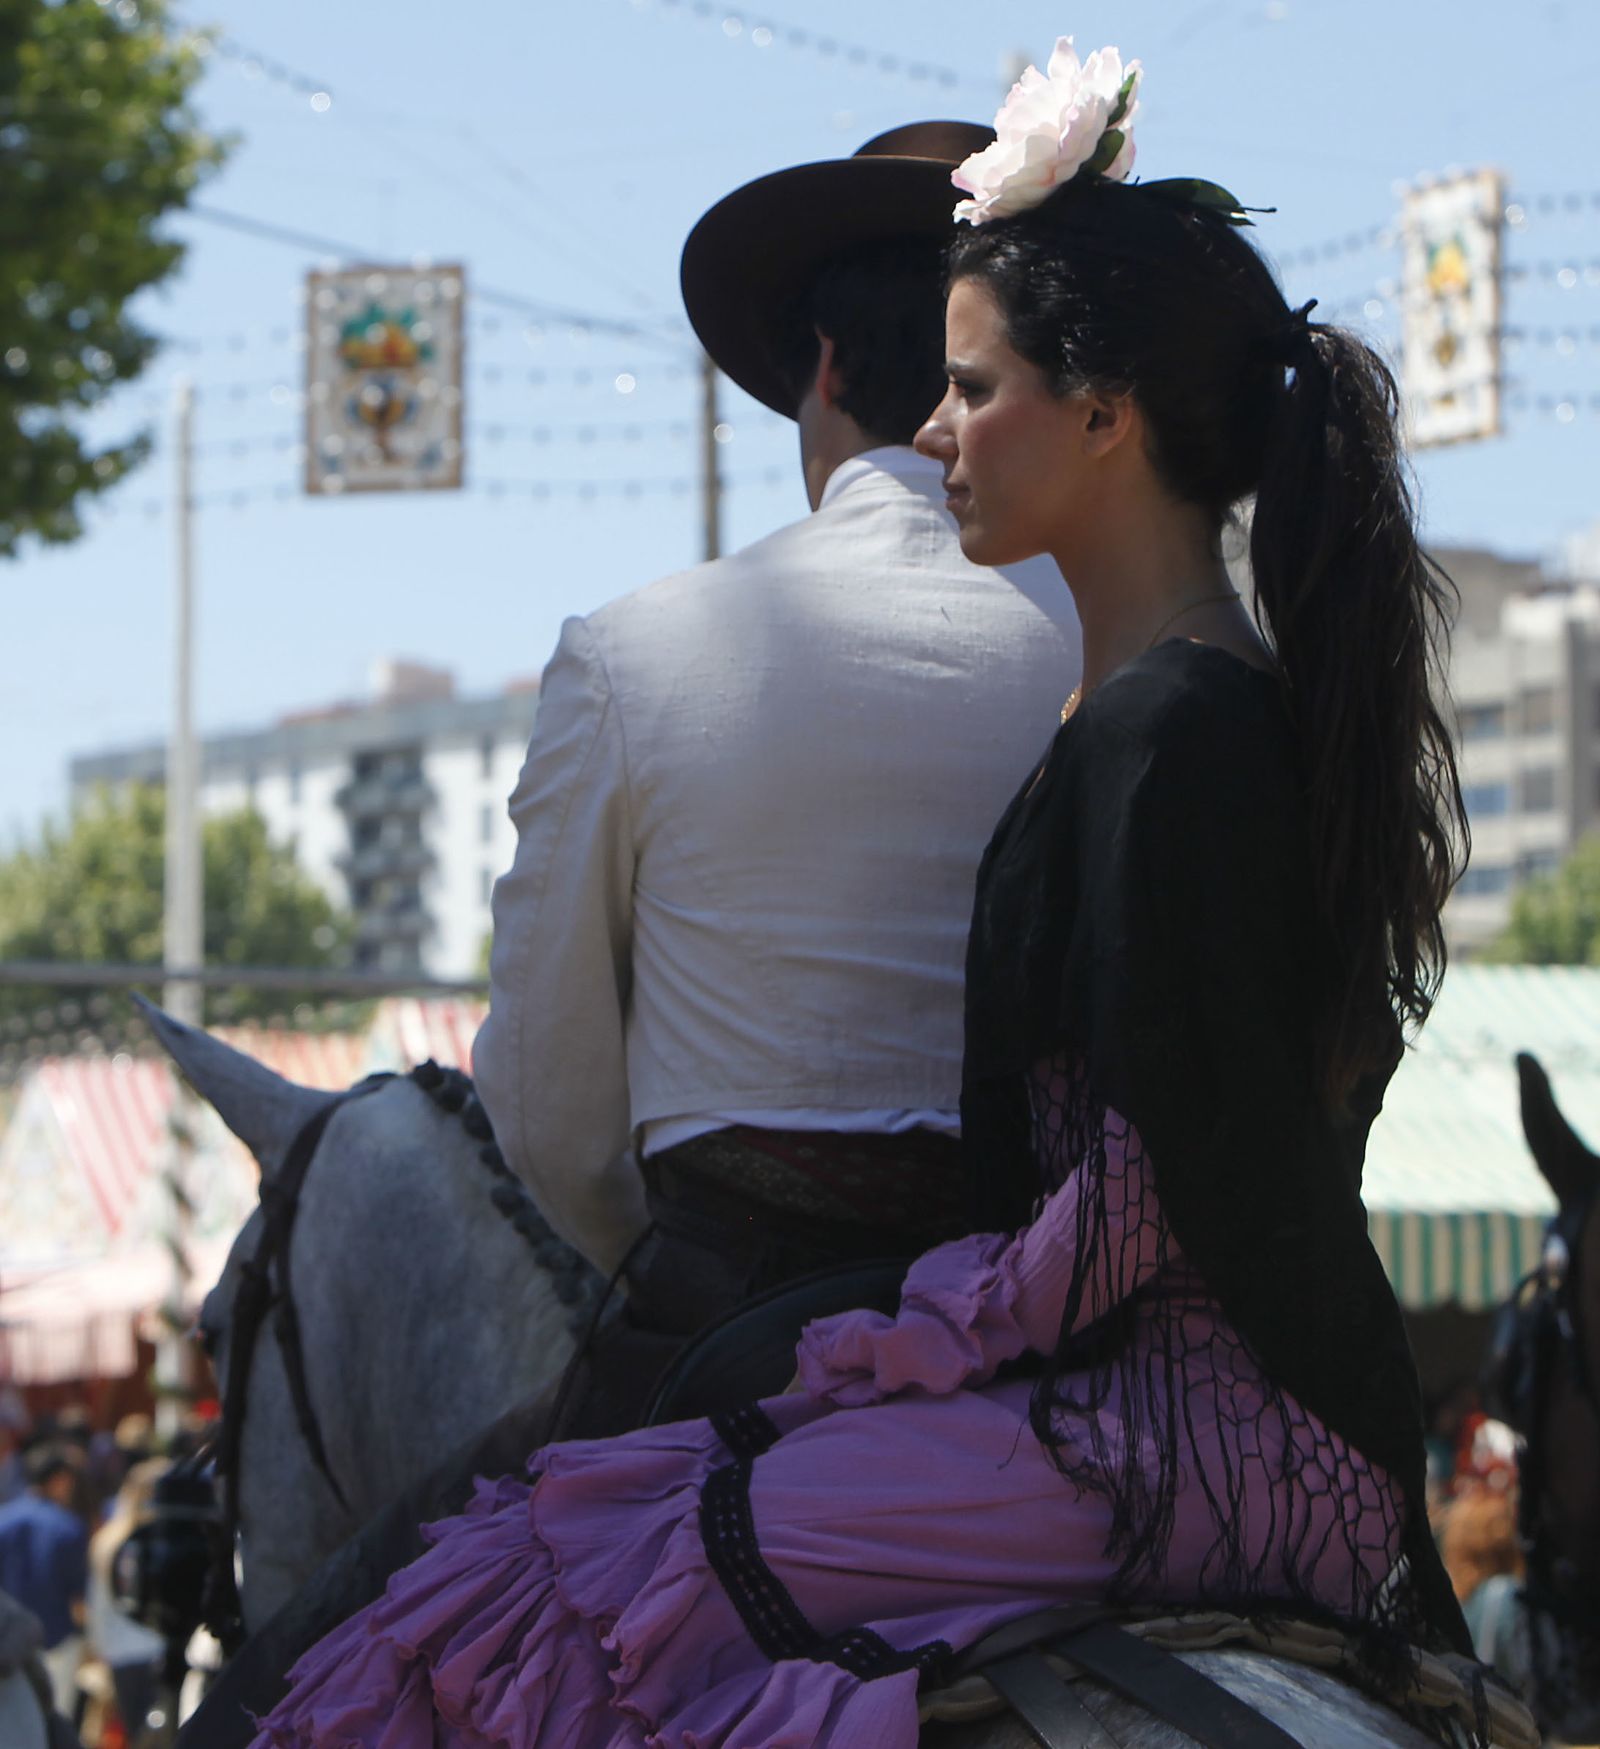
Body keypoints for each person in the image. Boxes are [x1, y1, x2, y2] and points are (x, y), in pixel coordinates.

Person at [247, 39, 1476, 1749]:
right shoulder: (1135, 697)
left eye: (975, 390)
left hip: (1172, 1432)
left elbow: (1170, 1167)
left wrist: (930, 1325)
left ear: (1103, 411)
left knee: (558, 1583)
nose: (934, 430)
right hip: (1119, 1383)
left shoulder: (1174, 721)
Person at [472, 119, 1081, 1365]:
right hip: (1067, 1328)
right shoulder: (1127, 641)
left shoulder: (630, 653)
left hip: (731, 1319)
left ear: (824, 364)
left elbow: (543, 1099)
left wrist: (665, 1273)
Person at [0, 1447, 88, 1720]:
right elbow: (78, 1598)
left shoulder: (3, 1519)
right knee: (55, 1719)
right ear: (59, 1480)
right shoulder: (68, 1526)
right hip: (56, 1640)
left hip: (5, 1642)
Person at [86, 1457, 168, 1741]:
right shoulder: (164, 1539)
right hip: (160, 1652)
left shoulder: (108, 1540)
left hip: (122, 1654)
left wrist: (99, 1649)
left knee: (138, 1735)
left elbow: (98, 1606)